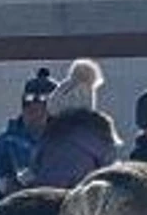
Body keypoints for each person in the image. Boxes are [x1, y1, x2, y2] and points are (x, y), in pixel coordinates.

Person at [0, 67, 57, 214]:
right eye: (29, 103)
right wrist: (2, 187)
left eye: (45, 103)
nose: (35, 109)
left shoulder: (71, 147)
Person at [30, 59, 120, 189]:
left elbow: (35, 166)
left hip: (48, 196)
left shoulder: (51, 136)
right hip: (84, 199)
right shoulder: (99, 135)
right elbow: (110, 168)